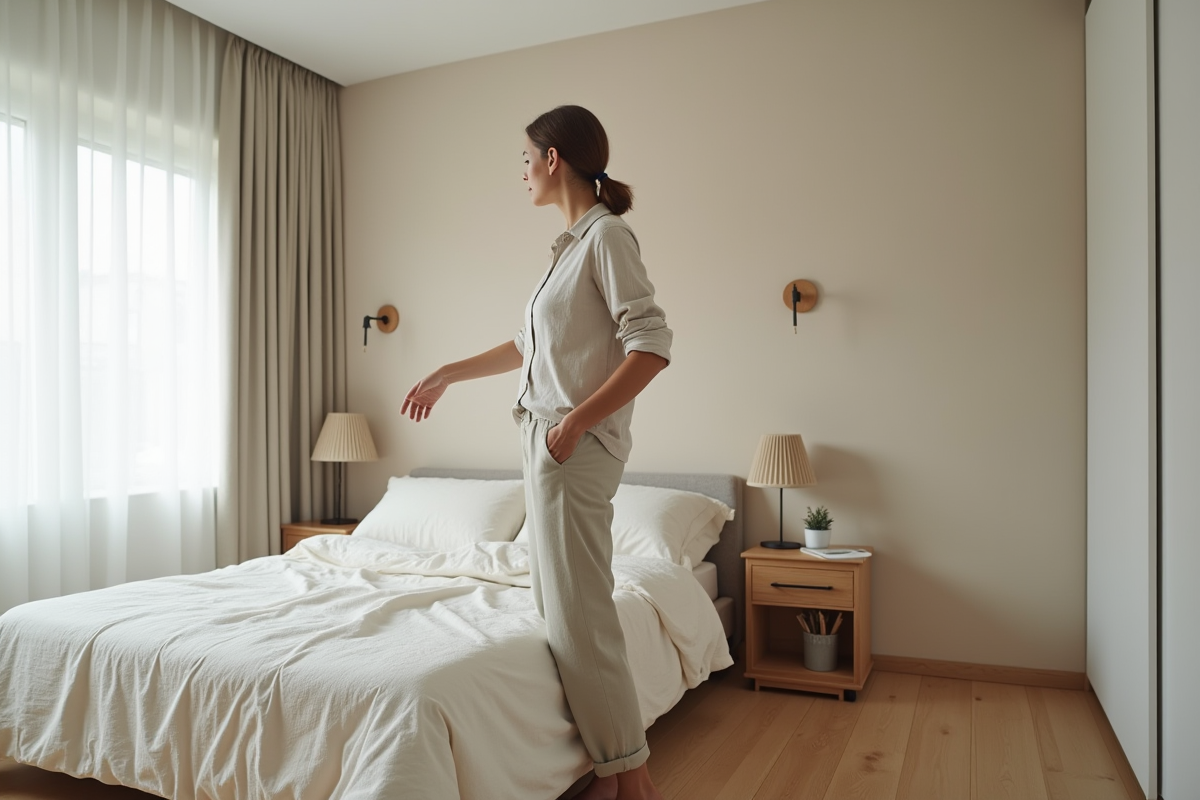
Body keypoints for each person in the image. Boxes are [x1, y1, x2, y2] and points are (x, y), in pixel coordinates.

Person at [401, 105, 671, 800]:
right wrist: (445, 374)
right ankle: (616, 774)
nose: (521, 173)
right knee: (558, 611)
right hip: (547, 441)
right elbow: (528, 346)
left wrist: (576, 423)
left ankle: (633, 779)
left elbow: (652, 346)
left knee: (581, 618)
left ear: (554, 159)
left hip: (571, 445)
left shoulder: (608, 237)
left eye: (525, 159)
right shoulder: (569, 248)